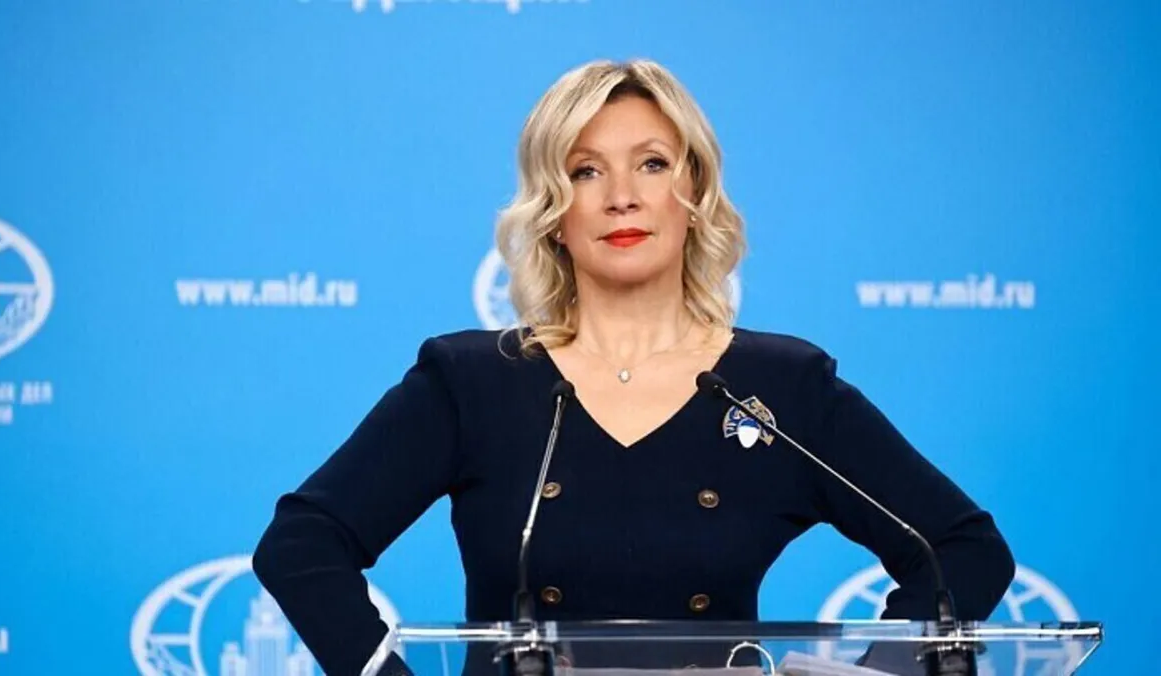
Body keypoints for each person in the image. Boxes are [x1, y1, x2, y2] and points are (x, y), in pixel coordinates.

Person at [252, 59, 1015, 676]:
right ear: (553, 210)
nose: (621, 197)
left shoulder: (781, 389)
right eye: (586, 171)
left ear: (695, 192)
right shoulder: (471, 381)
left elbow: (964, 550)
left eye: (651, 164)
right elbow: (302, 544)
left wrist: (878, 673)